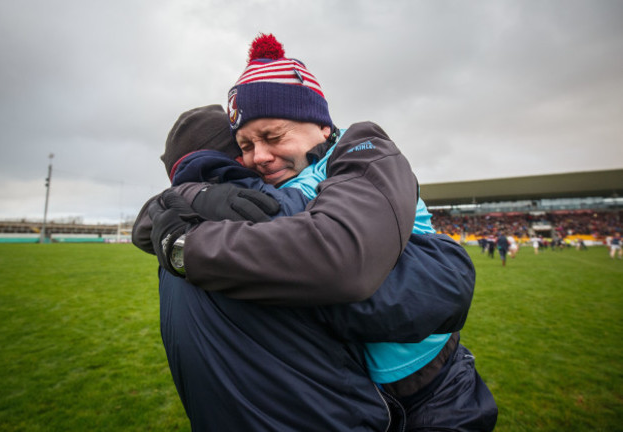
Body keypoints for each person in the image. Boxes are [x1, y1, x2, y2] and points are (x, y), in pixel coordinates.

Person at [138, 34, 496, 431]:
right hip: (379, 389)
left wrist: (186, 205)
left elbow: (312, 237)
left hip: (435, 381)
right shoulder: (286, 178)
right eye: (245, 145)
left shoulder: (357, 155)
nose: (259, 156)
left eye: (274, 137)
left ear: (322, 126)